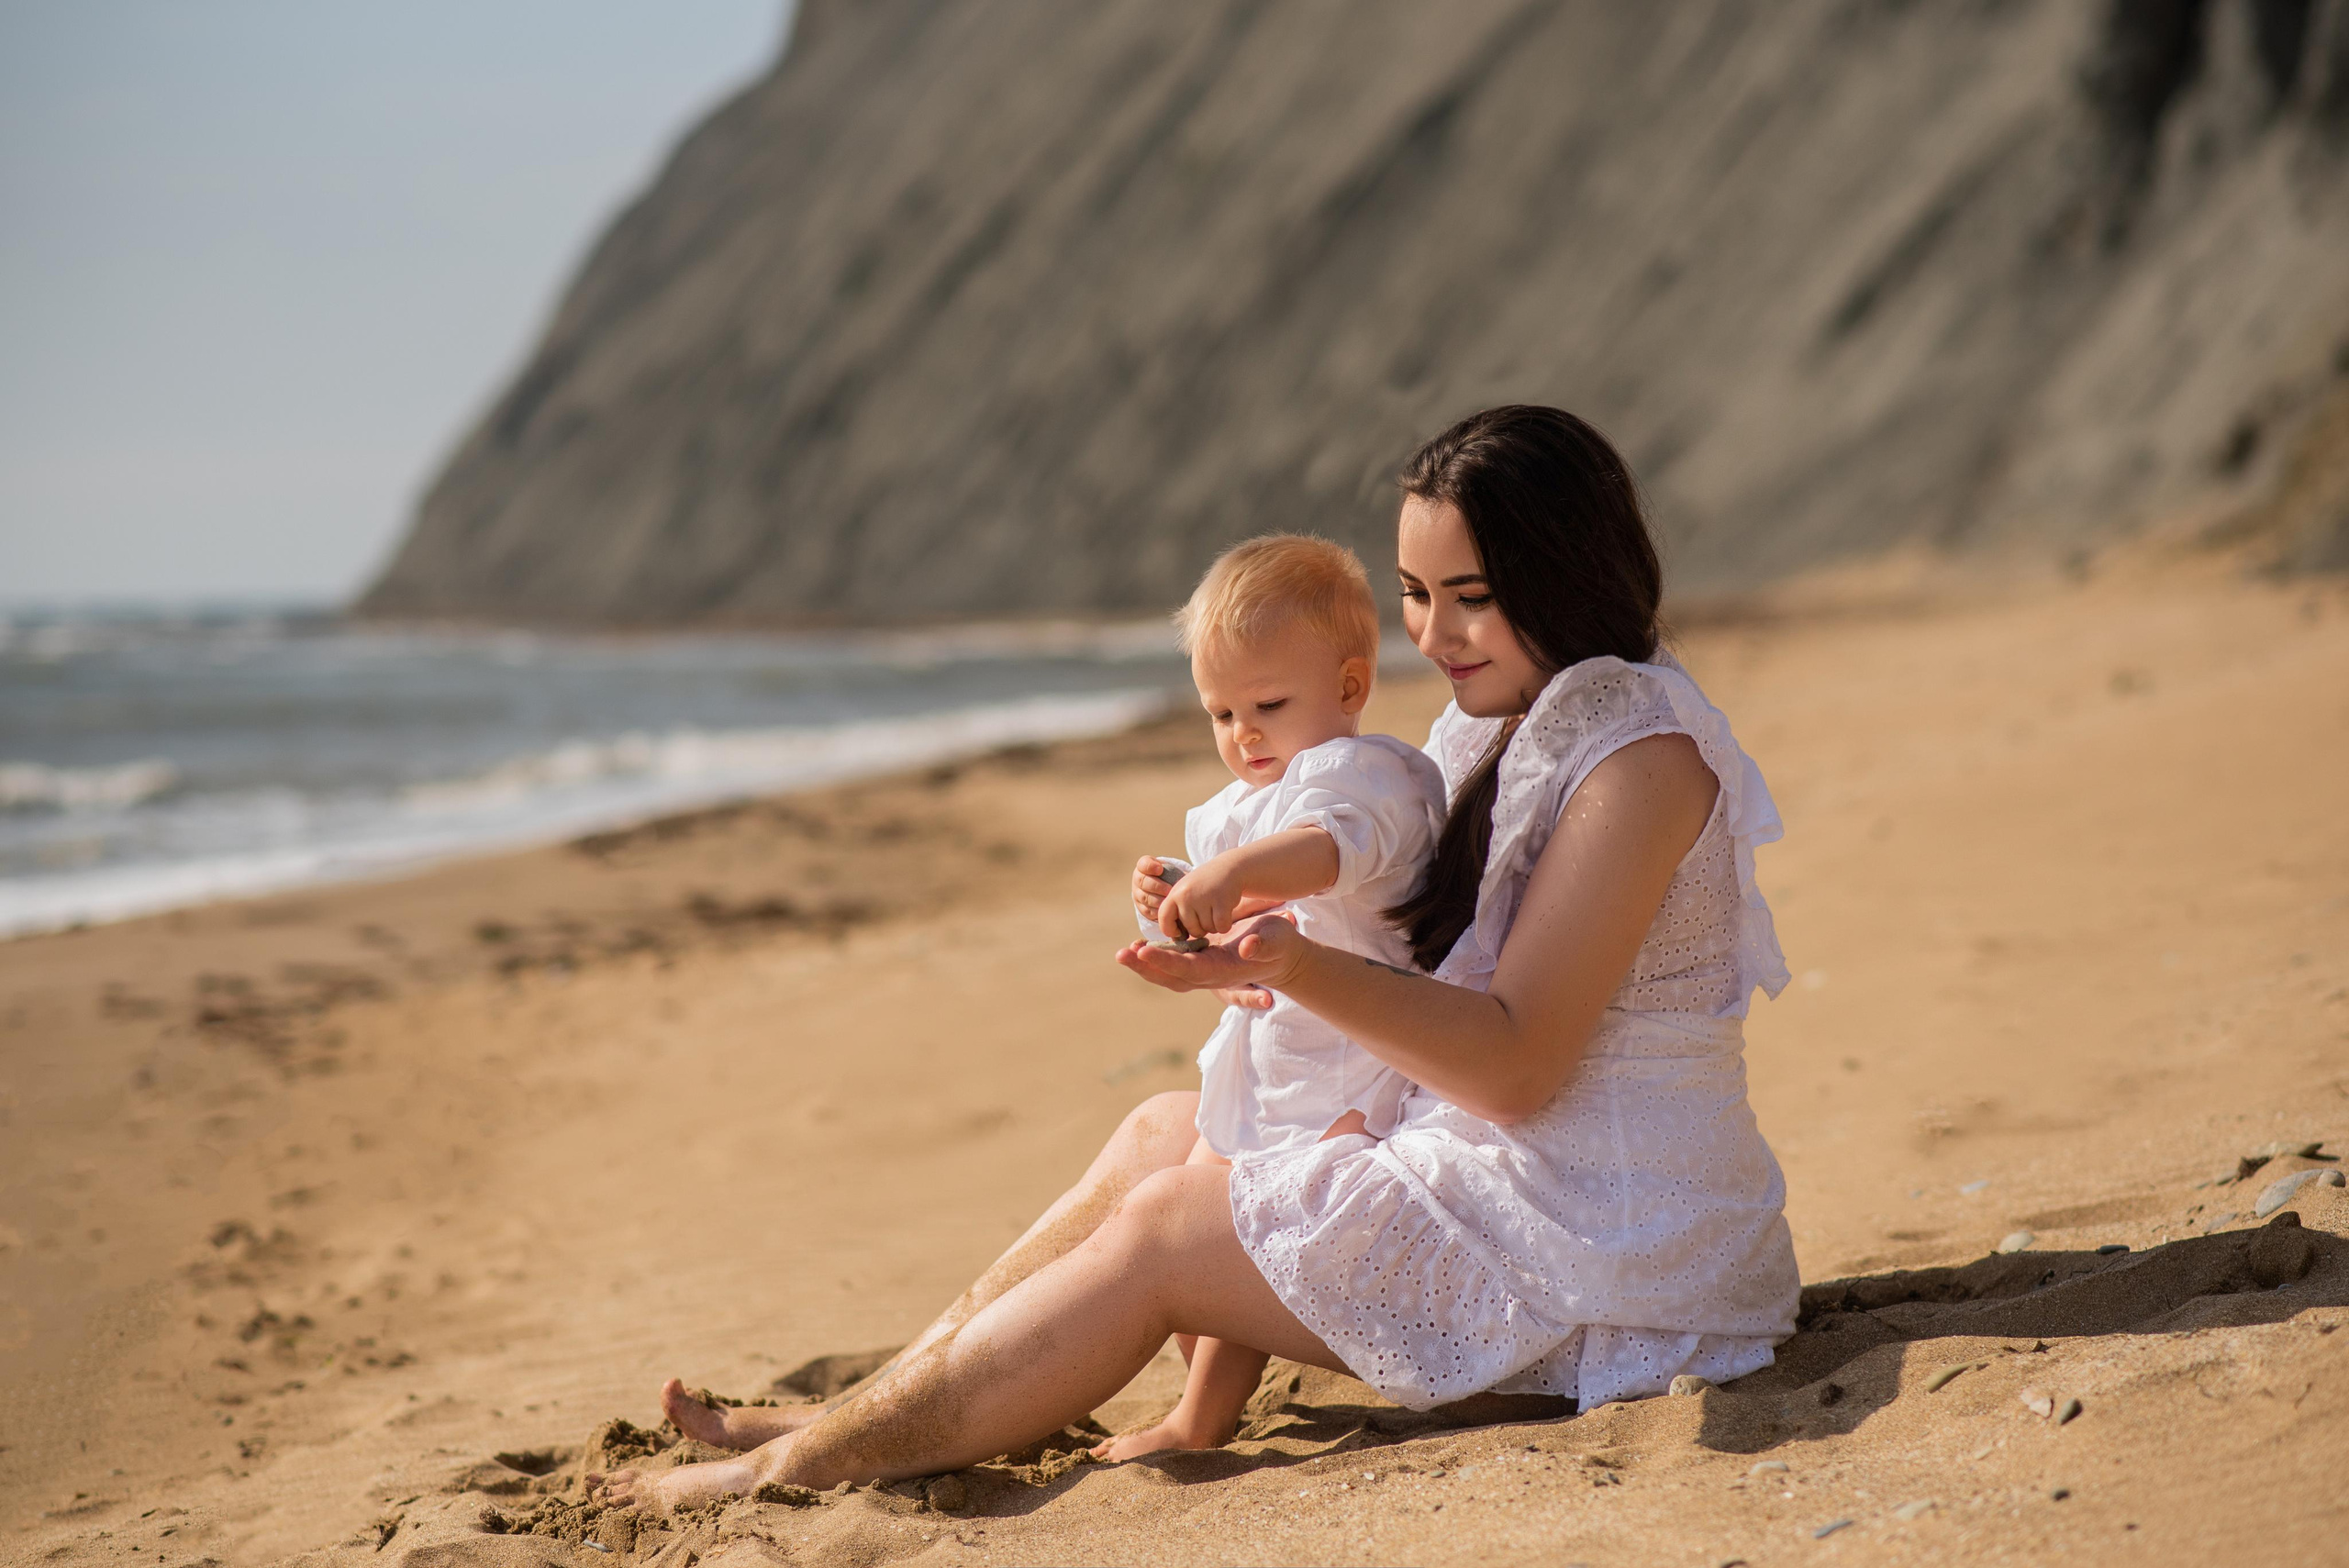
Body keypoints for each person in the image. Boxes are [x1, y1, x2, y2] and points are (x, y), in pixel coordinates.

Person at [591, 405, 1800, 1512]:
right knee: (1164, 1133)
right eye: (1414, 593)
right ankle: (879, 1407)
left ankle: (789, 1468)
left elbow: (1519, 1068)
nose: (1430, 633)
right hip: (1519, 1175)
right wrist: (1251, 967)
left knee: (1169, 1229)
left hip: (1614, 1252)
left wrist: (1289, 965)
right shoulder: (1512, 724)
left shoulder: (1635, 762)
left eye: (1468, 595)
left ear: (1564, 573)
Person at [1102, 532, 1446, 1461]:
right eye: (1219, 710)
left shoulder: (1364, 775)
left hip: (1349, 1069)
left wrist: (1234, 872)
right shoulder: (1229, 807)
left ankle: (1200, 1419)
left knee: (1250, 1217)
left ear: (1347, 685)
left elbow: (1327, 853)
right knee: (1203, 1225)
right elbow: (1235, 924)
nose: (1241, 732)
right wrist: (1179, 896)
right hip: (1260, 1062)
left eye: (1265, 704)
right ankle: (1213, 1369)